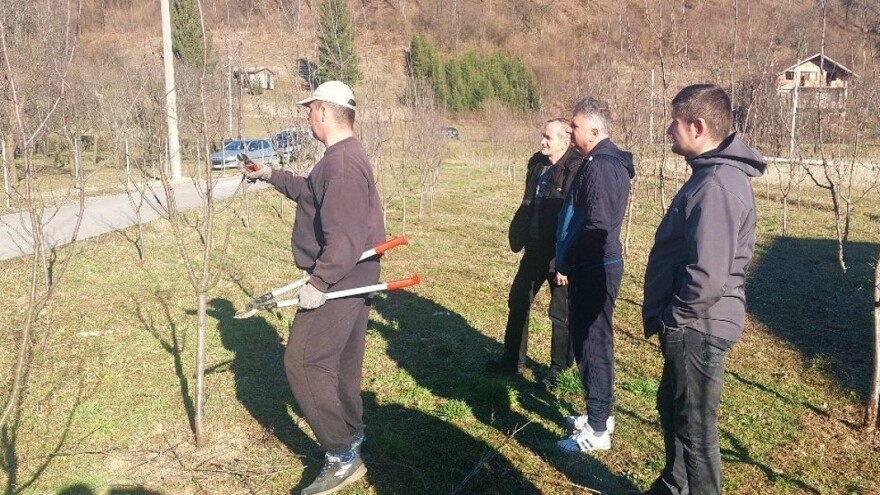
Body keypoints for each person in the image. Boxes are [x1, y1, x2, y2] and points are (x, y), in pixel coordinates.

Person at [244, 80, 385, 495]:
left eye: (310, 109)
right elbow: (311, 192)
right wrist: (271, 175)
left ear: (324, 111)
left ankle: (342, 455)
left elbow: (345, 237)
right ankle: (352, 433)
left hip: (340, 274)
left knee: (303, 361)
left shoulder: (341, 165)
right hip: (354, 271)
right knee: (341, 360)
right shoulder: (340, 158)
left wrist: (319, 281)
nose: (307, 117)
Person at [642, 84, 765, 495]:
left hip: (698, 324)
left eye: (674, 122)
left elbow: (707, 276)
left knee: (695, 429)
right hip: (693, 323)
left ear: (697, 127)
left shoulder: (717, 185)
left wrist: (673, 318)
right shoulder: (709, 176)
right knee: (674, 410)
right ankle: (673, 485)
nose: (668, 130)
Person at [555, 97, 634, 453]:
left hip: (595, 266)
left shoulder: (601, 166)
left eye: (574, 126)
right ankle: (598, 413)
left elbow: (597, 226)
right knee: (591, 343)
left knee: (593, 345)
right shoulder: (599, 162)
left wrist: (568, 259)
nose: (570, 132)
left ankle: (598, 430)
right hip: (593, 264)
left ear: (595, 129)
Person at [489, 119, 584, 389]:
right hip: (534, 248)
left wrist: (566, 260)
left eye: (548, 138)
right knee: (518, 299)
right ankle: (512, 360)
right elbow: (528, 200)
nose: (542, 141)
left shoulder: (577, 169)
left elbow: (577, 218)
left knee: (560, 314)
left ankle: (558, 371)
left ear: (565, 141)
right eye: (543, 135)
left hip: (559, 253)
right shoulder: (538, 164)